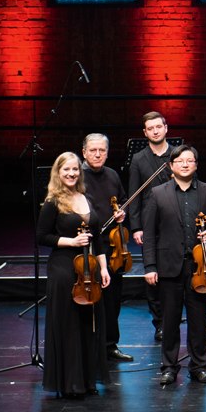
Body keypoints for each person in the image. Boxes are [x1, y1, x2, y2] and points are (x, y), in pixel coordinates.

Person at [141, 144, 206, 387]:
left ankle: (199, 367)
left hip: (199, 267)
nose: (185, 164)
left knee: (199, 321)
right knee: (170, 321)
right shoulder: (158, 193)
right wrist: (149, 266)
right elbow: (149, 234)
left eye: (190, 160)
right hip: (168, 267)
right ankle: (169, 367)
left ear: (196, 165)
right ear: (171, 166)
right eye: (180, 161)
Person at [37, 152, 111, 398]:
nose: (71, 174)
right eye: (66, 170)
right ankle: (71, 383)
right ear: (58, 173)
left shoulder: (85, 197)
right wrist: (72, 241)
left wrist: (103, 267)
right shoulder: (52, 202)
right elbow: (42, 237)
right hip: (63, 269)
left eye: (75, 169)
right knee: (69, 324)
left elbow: (97, 237)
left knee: (89, 324)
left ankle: (88, 379)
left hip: (89, 269)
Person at [80, 133, 132, 363]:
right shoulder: (77, 176)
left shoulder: (112, 175)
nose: (98, 154)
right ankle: (88, 346)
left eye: (102, 150)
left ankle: (111, 344)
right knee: (89, 298)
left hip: (111, 248)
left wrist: (121, 213)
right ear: (84, 152)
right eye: (93, 150)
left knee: (113, 300)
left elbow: (121, 202)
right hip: (87, 247)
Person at [129, 111, 174, 342]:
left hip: (175, 221)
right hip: (150, 222)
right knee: (152, 273)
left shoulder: (178, 154)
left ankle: (182, 319)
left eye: (159, 126)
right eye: (150, 128)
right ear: (145, 132)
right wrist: (136, 227)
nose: (155, 131)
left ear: (166, 128)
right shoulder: (138, 159)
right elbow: (134, 195)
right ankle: (160, 323)